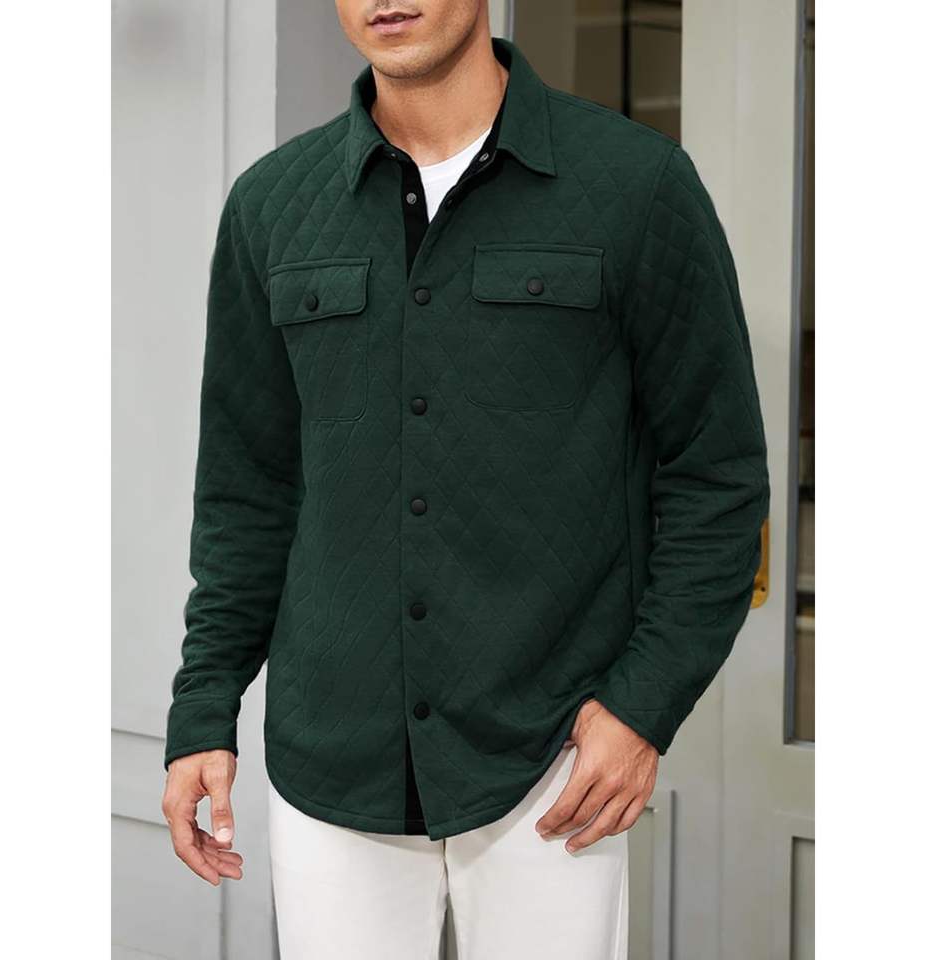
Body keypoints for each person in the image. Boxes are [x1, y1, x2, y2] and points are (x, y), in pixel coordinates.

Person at [160, 2, 770, 957]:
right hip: (332, 759)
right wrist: (204, 710)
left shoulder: (638, 186)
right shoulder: (270, 205)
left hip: (555, 758)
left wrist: (643, 708)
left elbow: (718, 481)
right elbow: (247, 493)